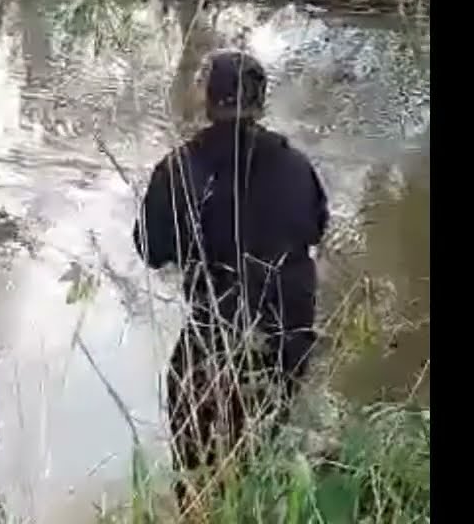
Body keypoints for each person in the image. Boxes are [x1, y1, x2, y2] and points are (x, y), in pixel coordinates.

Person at [131, 49, 329, 508]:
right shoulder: (297, 165)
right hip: (286, 339)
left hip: (216, 338)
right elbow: (316, 229)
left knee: (196, 464)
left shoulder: (180, 167)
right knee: (260, 457)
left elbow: (151, 250)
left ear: (208, 100)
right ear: (261, 104)